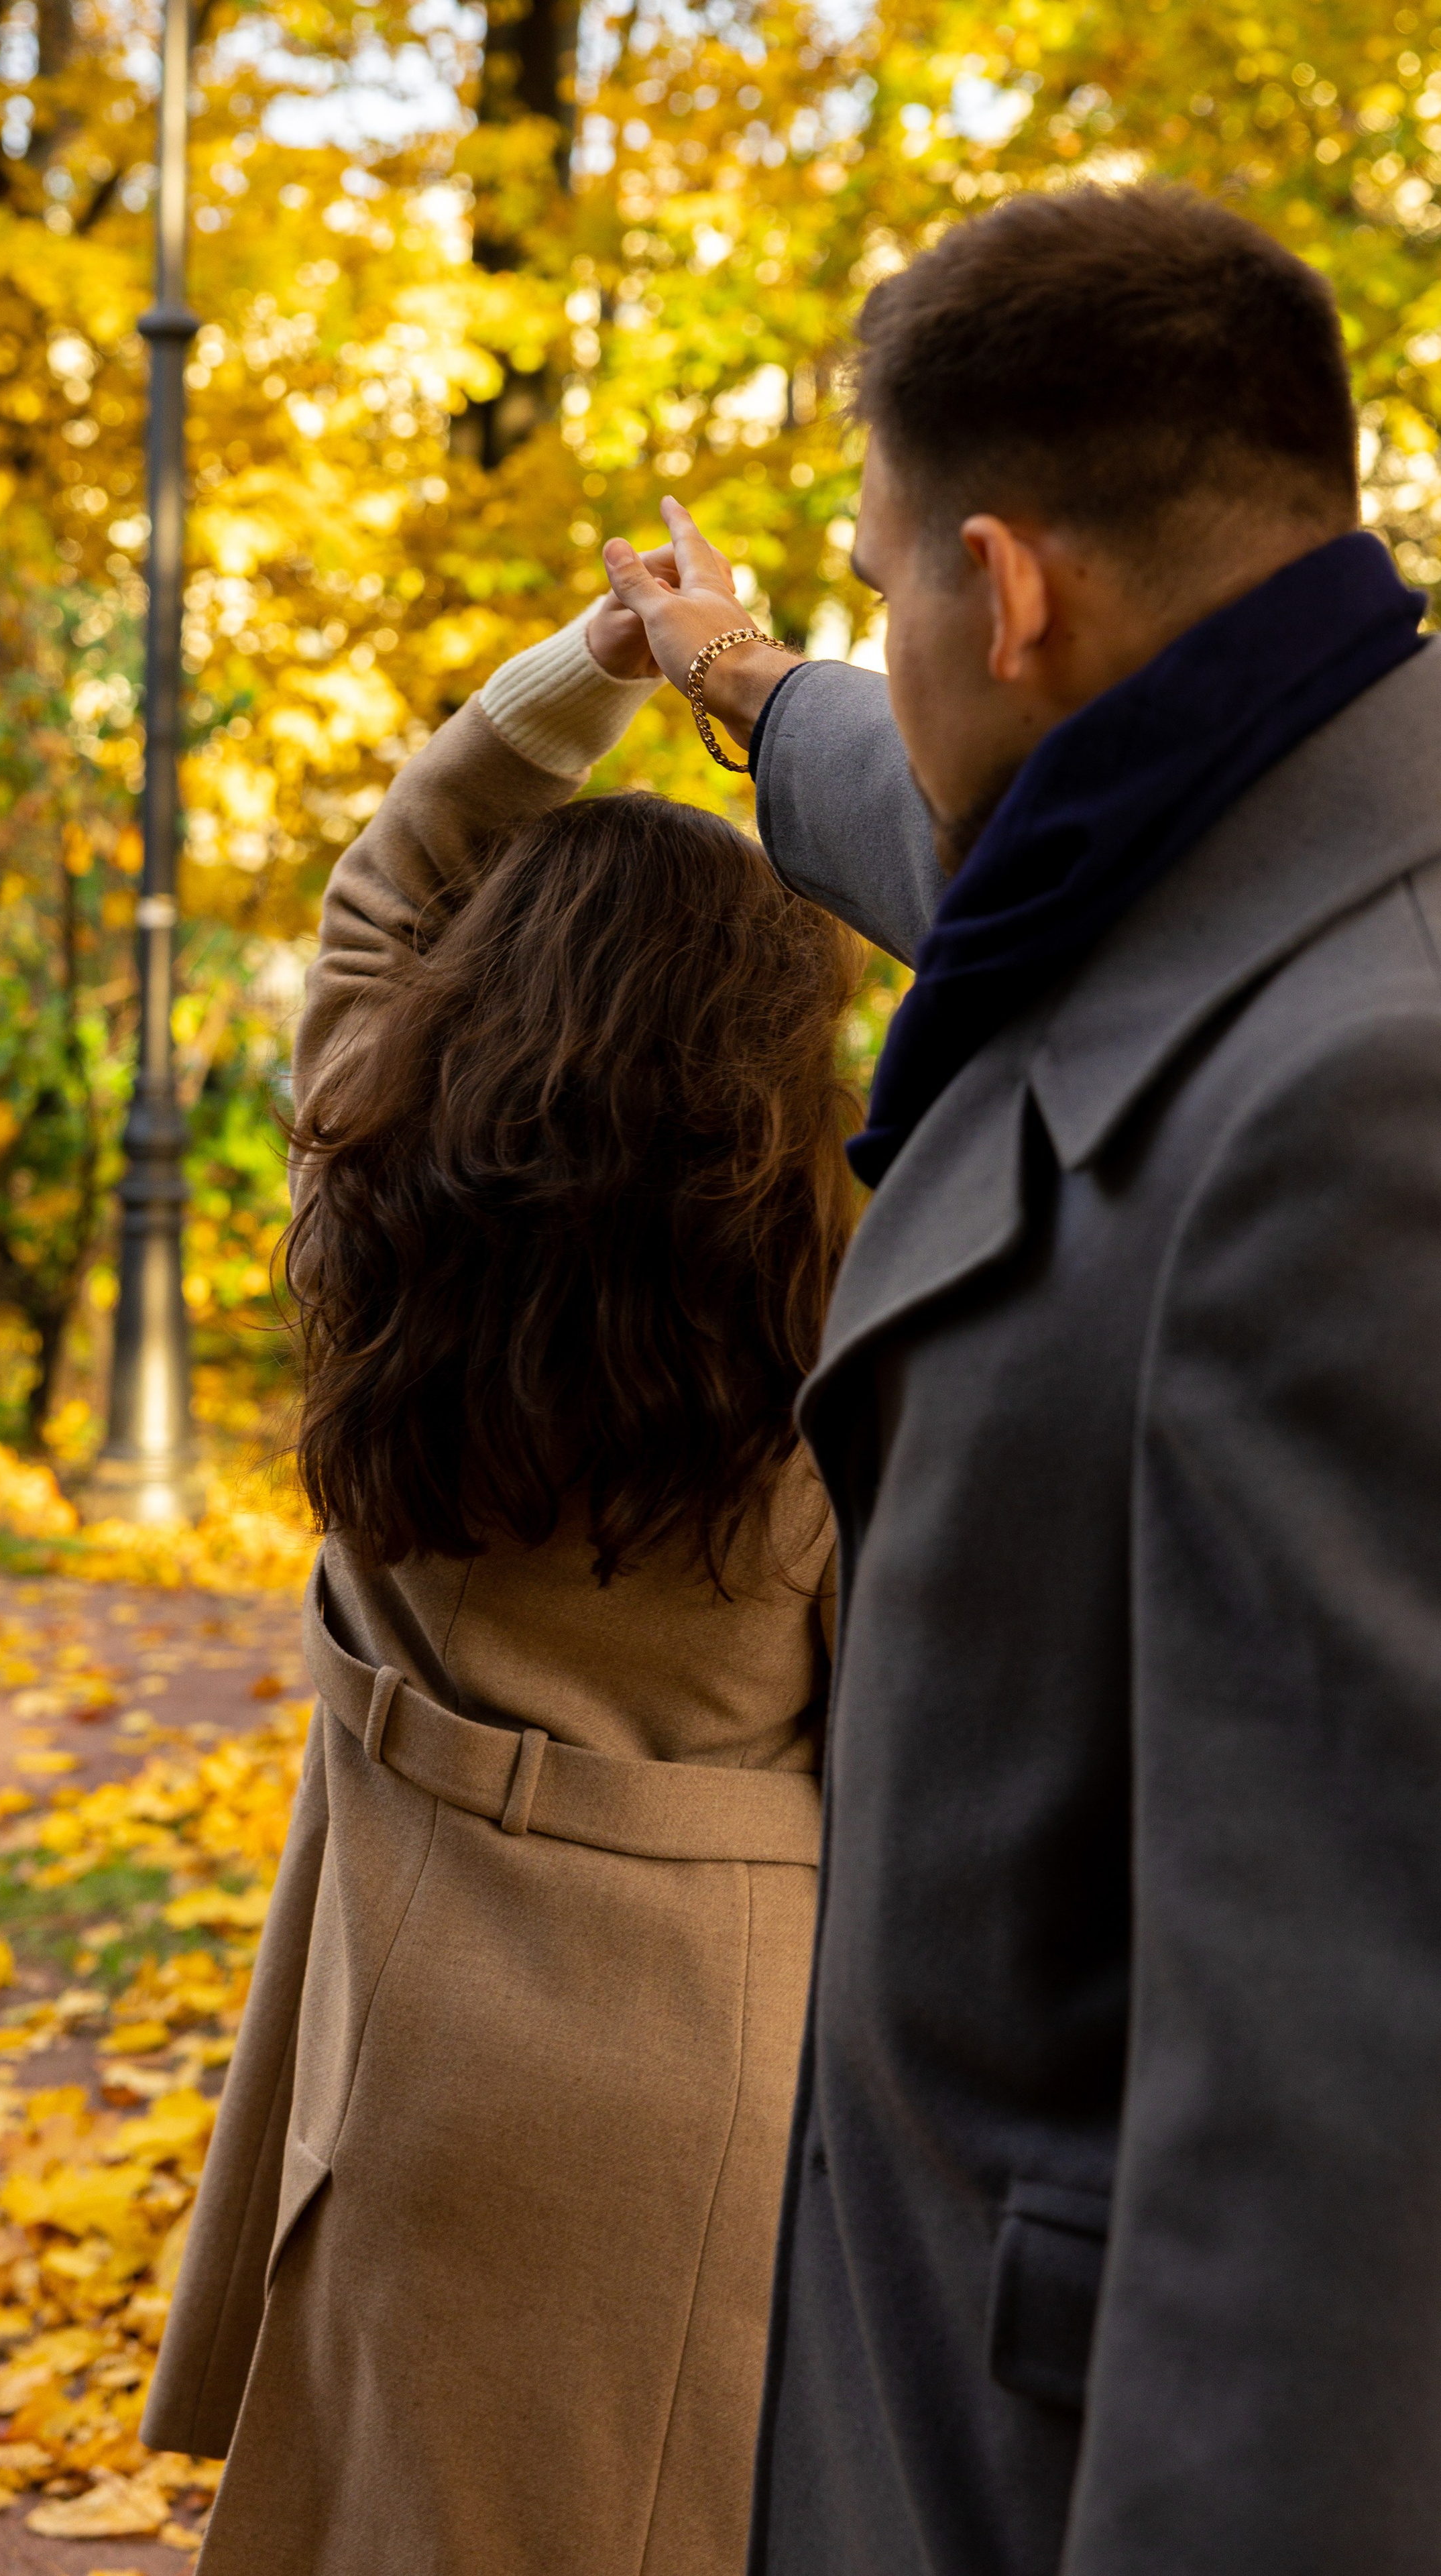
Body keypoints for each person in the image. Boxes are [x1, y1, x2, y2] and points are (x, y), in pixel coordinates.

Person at [606, 182, 1441, 2576]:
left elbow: (1346, 2146)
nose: (885, 634)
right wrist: (753, 681)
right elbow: (979, 839)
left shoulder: (1368, 1098)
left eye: (885, 584)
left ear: (1014, 588)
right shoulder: (1256, 795)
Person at [140, 586, 864, 2573]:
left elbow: (393, 873)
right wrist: (776, 708)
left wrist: (605, 659)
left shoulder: (377, 1192)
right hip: (707, 2047)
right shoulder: (853, 1305)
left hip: (403, 1995)